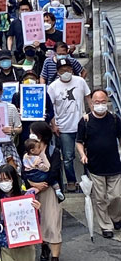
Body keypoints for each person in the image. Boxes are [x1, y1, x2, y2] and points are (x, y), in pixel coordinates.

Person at [76, 89, 121, 238]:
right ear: (91, 103)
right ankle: (106, 226)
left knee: (116, 196)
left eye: (103, 102)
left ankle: (115, 217)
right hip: (95, 166)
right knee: (100, 198)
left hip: (114, 165)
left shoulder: (114, 119)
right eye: (97, 102)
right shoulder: (85, 121)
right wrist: (82, 155)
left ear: (107, 101)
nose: (100, 105)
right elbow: (79, 142)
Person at [26, 122, 64, 261]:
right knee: (39, 221)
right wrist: (33, 184)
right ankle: (44, 247)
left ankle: (55, 260)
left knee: (53, 222)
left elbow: (54, 171)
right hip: (33, 189)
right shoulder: (28, 149)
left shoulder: (54, 151)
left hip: (49, 191)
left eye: (32, 132)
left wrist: (44, 184)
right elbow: (23, 171)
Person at [48, 58, 91, 191]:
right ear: (57, 72)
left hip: (81, 124)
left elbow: (88, 98)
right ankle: (71, 181)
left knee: (86, 154)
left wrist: (92, 114)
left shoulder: (80, 81)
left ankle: (88, 179)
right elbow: (50, 108)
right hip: (64, 127)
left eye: (67, 69)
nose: (65, 72)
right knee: (67, 157)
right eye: (62, 70)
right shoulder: (53, 87)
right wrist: (53, 125)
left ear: (72, 70)